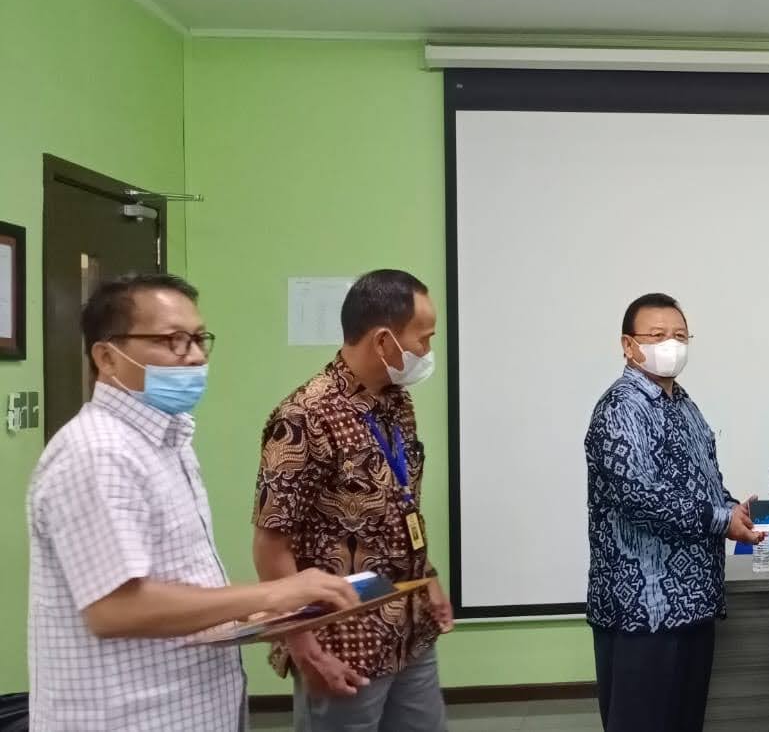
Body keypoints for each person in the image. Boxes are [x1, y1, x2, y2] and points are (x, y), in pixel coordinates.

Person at [27, 272, 358, 731]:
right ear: (107, 357)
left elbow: (175, 579)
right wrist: (273, 592)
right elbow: (115, 609)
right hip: (131, 718)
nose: (197, 356)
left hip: (191, 707)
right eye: (173, 341)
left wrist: (259, 614)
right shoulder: (98, 452)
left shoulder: (167, 439)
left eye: (200, 339)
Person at [253, 269, 452, 731]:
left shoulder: (397, 403)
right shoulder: (304, 417)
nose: (427, 352)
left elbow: (400, 504)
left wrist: (427, 577)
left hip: (410, 630)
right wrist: (305, 649)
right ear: (384, 341)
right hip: (341, 642)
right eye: (423, 338)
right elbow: (271, 546)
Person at [586, 292, 762, 732]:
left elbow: (703, 482)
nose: (672, 344)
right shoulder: (620, 408)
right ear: (628, 345)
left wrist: (733, 510)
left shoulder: (684, 404)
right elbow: (639, 497)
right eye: (658, 335)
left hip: (693, 602)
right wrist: (721, 520)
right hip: (642, 611)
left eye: (680, 335)